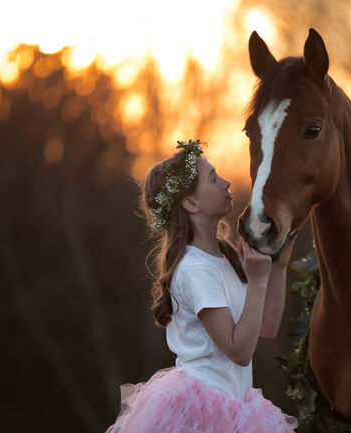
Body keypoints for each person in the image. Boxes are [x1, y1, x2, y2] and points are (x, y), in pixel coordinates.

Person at [105, 139, 299, 433]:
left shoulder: (225, 257)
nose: (226, 182)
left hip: (238, 406)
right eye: (213, 178)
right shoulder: (195, 270)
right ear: (191, 203)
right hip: (203, 414)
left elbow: (266, 327)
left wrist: (279, 268)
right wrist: (257, 282)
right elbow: (239, 350)